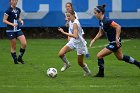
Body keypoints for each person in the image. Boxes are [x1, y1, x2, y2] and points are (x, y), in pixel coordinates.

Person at [89, 4, 140, 77]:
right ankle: (138, 64)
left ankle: (101, 73)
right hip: (113, 42)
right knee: (120, 57)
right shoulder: (101, 21)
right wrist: (94, 40)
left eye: (95, 13)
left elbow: (118, 27)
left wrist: (116, 38)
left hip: (114, 43)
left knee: (99, 55)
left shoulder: (107, 20)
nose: (94, 15)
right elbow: (100, 33)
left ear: (100, 13)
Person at [58, 10, 91, 76]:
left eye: (69, 16)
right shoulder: (71, 20)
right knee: (60, 54)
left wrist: (63, 32)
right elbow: (68, 23)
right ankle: (67, 64)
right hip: (73, 41)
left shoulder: (75, 23)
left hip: (80, 44)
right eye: (66, 16)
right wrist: (67, 20)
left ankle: (88, 72)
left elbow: (75, 36)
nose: (67, 18)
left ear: (73, 15)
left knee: (80, 63)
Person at [3, 0, 27, 64]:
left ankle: (20, 57)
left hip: (17, 29)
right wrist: (12, 24)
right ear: (10, 2)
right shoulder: (8, 10)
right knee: (14, 46)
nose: (15, 2)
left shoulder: (18, 9)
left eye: (16, 0)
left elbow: (18, 17)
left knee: (24, 43)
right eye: (13, 0)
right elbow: (4, 20)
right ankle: (15, 59)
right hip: (10, 30)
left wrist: (21, 20)